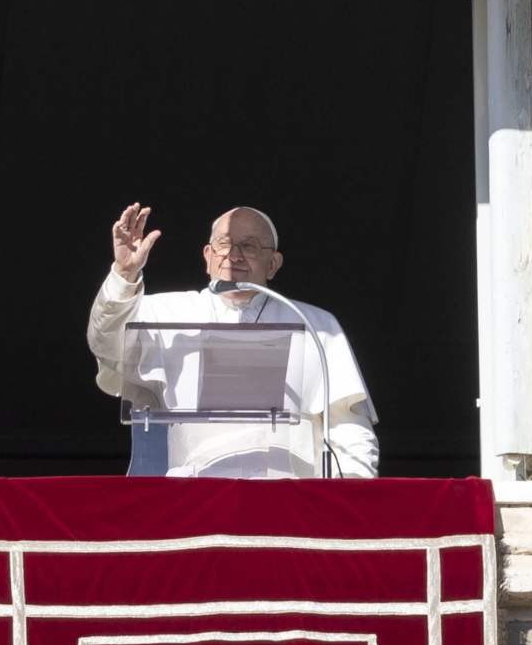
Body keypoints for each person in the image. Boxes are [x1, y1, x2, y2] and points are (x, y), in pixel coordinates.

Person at [87, 203, 379, 478]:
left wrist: (354, 493)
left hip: (287, 498)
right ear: (208, 256)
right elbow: (106, 342)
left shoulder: (316, 325)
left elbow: (347, 425)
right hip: (193, 495)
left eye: (249, 246)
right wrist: (125, 273)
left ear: (273, 264)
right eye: (223, 245)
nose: (234, 255)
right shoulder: (164, 312)